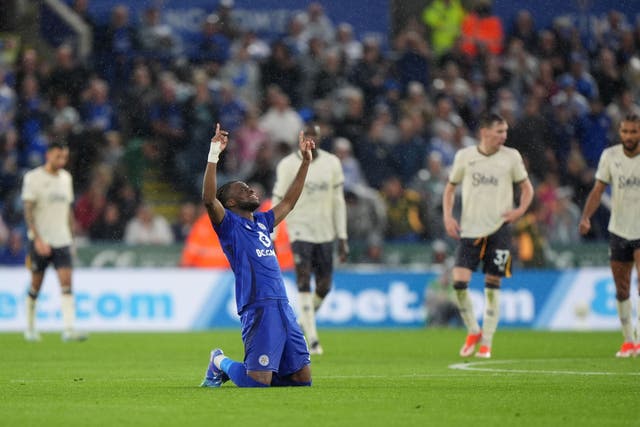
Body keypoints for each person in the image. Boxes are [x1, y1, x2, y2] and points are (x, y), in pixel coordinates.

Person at [200, 123, 314, 388]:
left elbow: (288, 203)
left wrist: (305, 162)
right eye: (242, 189)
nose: (250, 190)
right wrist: (213, 154)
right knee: (257, 383)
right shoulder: (228, 224)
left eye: (249, 187)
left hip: (281, 304)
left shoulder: (263, 222)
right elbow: (208, 199)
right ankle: (219, 361)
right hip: (257, 305)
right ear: (229, 203)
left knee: (301, 380)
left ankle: (258, 370)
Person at [442, 112, 533, 358]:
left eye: (505, 132)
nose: (504, 136)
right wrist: (448, 217)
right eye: (499, 131)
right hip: (469, 229)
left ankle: (487, 344)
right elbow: (449, 189)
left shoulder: (511, 157)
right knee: (459, 284)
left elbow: (527, 188)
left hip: (499, 230)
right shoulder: (465, 156)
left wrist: (520, 211)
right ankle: (473, 330)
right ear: (484, 132)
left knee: (492, 287)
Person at [272, 124, 348, 355]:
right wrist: (273, 235)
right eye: (307, 136)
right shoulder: (287, 165)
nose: (311, 140)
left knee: (324, 287)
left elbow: (338, 201)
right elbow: (278, 197)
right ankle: (313, 340)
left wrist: (342, 235)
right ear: (300, 138)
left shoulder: (332, 163)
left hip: (325, 231)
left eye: (315, 136)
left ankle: (302, 321)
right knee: (303, 280)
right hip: (299, 229)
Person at [579, 114, 640, 358]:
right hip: (619, 229)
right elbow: (598, 190)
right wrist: (585, 217)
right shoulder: (610, 156)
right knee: (621, 288)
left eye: (633, 132)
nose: (628, 136)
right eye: (625, 132)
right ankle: (628, 341)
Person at [21, 142, 87, 342]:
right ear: (48, 155)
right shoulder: (33, 178)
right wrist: (37, 239)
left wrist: (72, 239)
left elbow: (68, 211)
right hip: (41, 240)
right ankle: (30, 328)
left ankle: (68, 330)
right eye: (59, 156)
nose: (62, 161)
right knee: (36, 286)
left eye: (65, 157)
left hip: (62, 240)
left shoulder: (66, 178)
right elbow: (28, 211)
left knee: (67, 285)